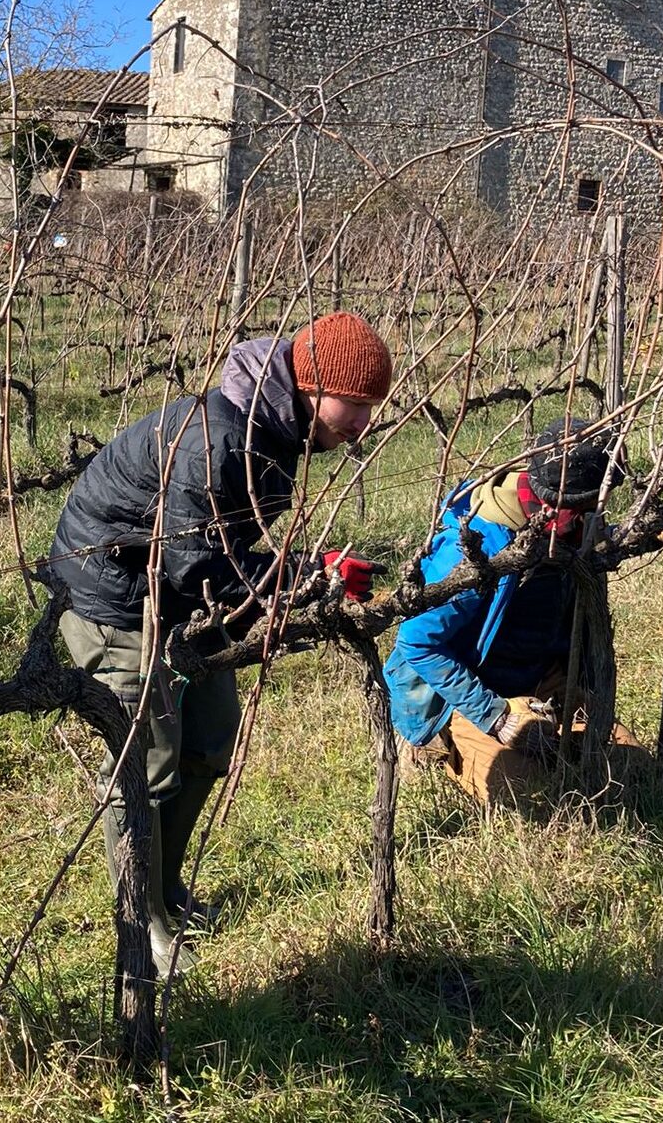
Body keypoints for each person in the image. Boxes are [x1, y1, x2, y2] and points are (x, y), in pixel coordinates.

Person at [51, 311, 393, 971]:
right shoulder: (218, 437)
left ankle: (167, 890)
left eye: (371, 410)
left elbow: (224, 550)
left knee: (210, 741)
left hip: (181, 604)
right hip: (111, 597)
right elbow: (199, 563)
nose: (363, 425)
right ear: (311, 386)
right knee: (143, 765)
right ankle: (142, 921)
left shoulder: (272, 431)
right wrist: (300, 578)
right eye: (354, 407)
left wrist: (301, 576)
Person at [383, 416, 626, 802]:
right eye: (581, 512)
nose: (590, 521)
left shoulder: (571, 528)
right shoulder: (480, 545)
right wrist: (496, 716)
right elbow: (418, 643)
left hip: (540, 673)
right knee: (526, 791)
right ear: (550, 502)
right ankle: (441, 744)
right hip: (469, 689)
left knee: (625, 766)